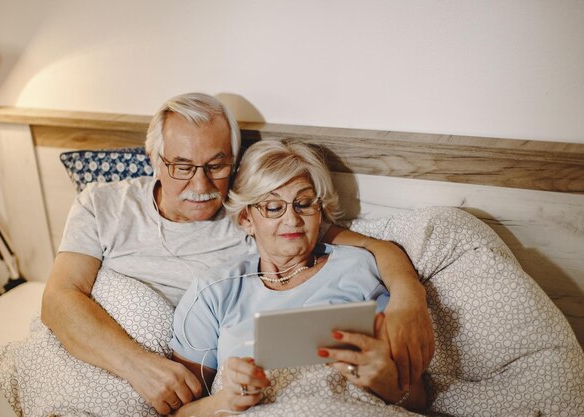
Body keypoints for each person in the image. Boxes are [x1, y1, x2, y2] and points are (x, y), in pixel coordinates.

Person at [41, 93, 433, 415]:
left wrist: (408, 299)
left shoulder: (258, 212)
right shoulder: (102, 203)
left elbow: (370, 246)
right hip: (97, 356)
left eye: (216, 164)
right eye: (181, 166)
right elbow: (59, 299)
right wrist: (138, 366)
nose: (201, 184)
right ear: (155, 162)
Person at [168, 140, 426, 416]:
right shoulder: (214, 292)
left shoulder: (359, 268)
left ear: (321, 211)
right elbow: (180, 411)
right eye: (273, 207)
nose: (292, 220)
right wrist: (226, 400)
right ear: (246, 218)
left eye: (303, 204)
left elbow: (419, 400)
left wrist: (388, 382)